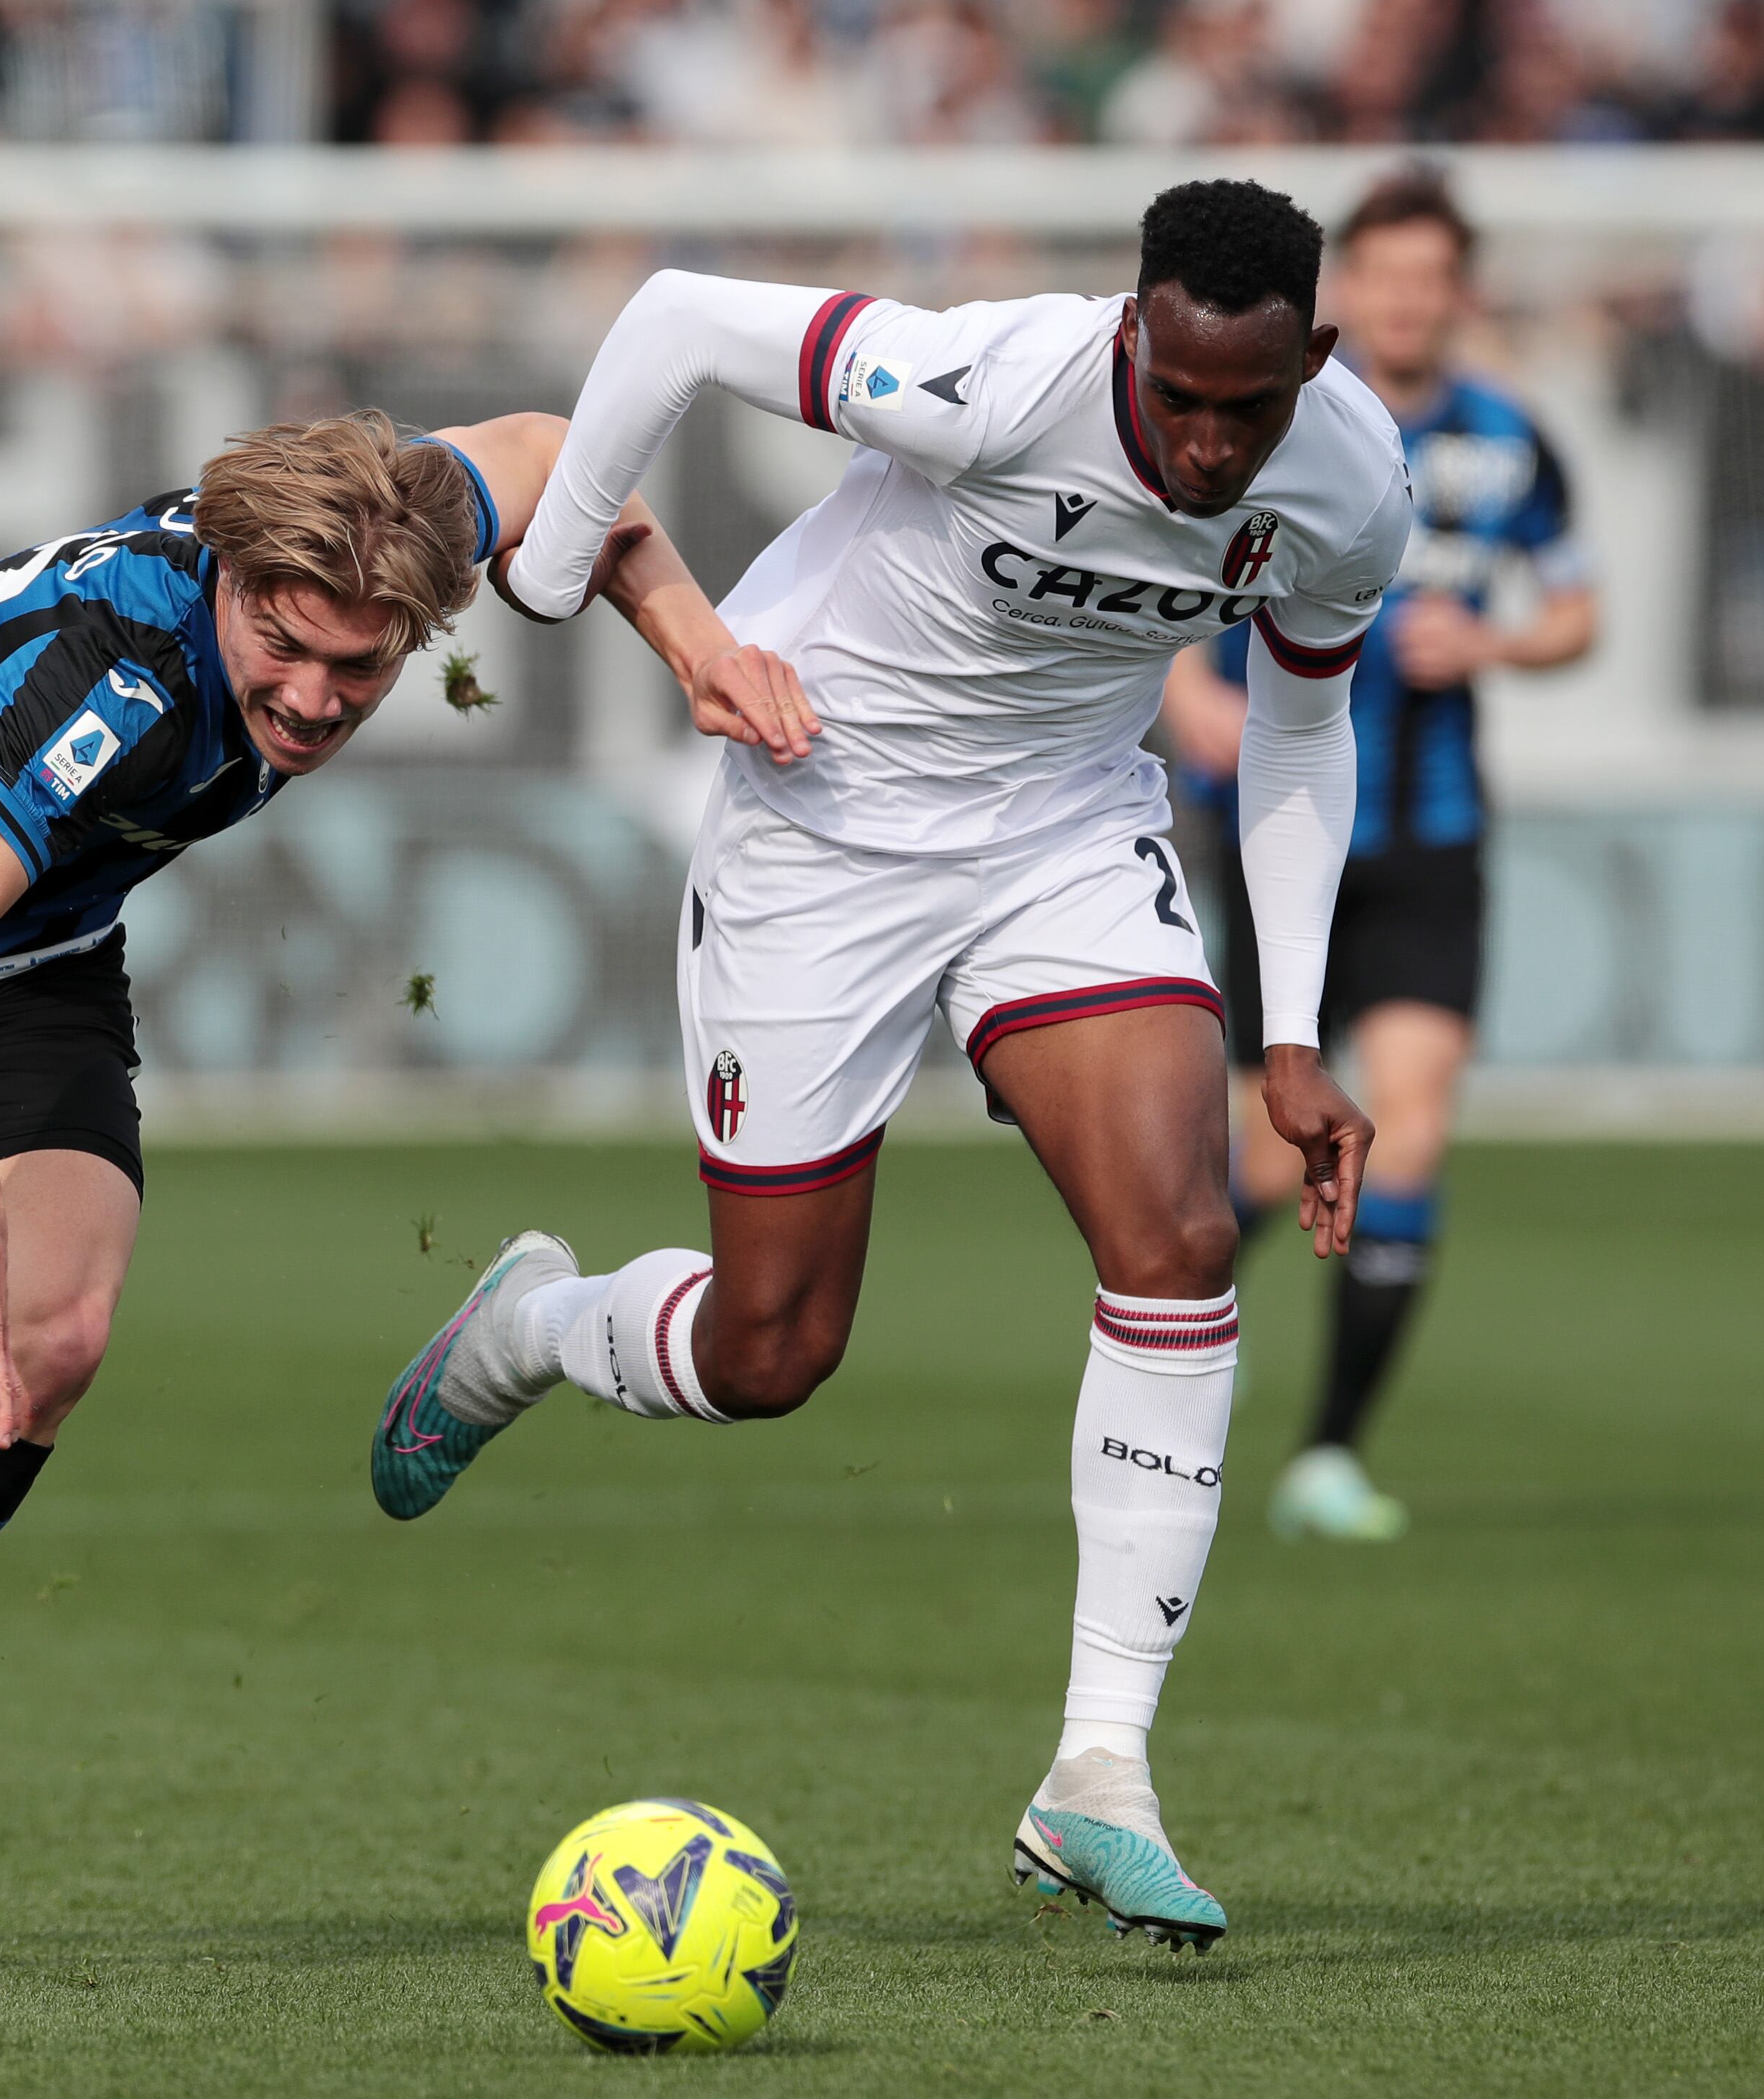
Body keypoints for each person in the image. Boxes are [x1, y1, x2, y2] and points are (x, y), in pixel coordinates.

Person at [0, 409, 798, 1903]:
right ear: (232, 583)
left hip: (40, 953)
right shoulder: (114, 677)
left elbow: (559, 454)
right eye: (287, 653)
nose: (317, 702)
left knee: (53, 1333)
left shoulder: (399, 517)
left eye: (361, 669)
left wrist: (693, 641)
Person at [369, 181, 1409, 1953]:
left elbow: (1304, 723)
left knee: (1177, 1238)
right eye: (1180, 394)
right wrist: (549, 573)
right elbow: (681, 312)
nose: (1214, 441)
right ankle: (532, 1329)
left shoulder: (1354, 485)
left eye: (1253, 405)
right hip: (826, 813)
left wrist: (1293, 1034)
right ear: (1128, 335)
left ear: (1314, 357)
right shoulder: (997, 379)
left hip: (1064, 835)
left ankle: (1099, 1774)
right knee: (772, 1351)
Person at [1160, 166, 1596, 1544]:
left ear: (1458, 291)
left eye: (1432, 278)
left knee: (1411, 1113)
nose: (1411, 299)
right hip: (1281, 831)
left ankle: (1329, 1454)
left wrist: (1500, 639)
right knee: (1271, 1162)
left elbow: (1579, 610)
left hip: (1433, 831)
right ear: (1355, 292)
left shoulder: (1509, 441)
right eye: (1388, 275)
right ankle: (1161, 1347)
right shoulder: (1271, 423)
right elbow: (1151, 583)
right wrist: (1199, 710)